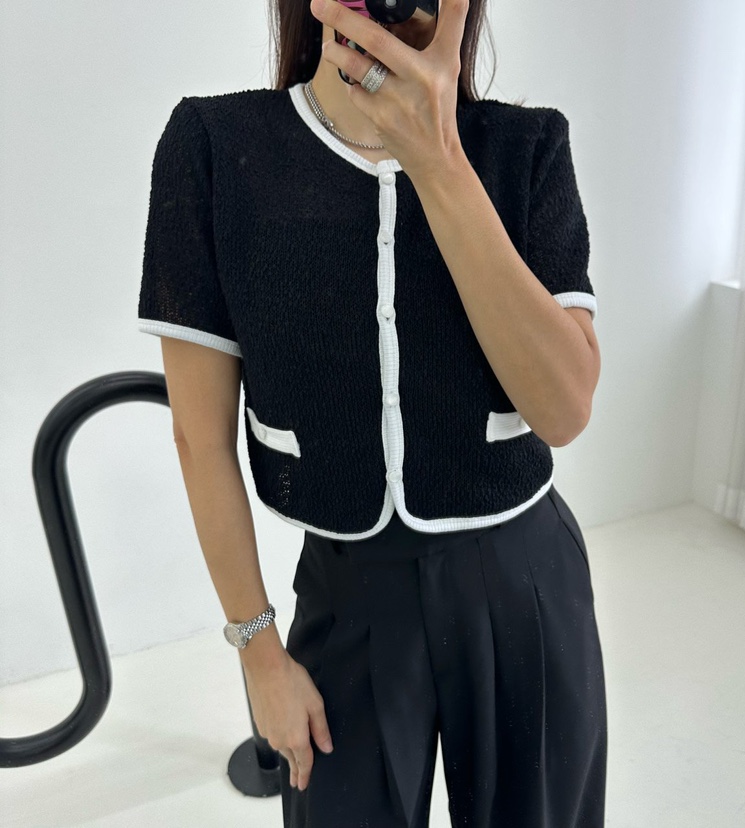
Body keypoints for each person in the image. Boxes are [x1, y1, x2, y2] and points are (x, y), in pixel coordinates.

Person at [137, 0, 607, 825]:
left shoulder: (525, 148)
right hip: (347, 588)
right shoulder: (215, 147)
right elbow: (198, 439)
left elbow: (564, 411)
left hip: (521, 580)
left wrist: (438, 160)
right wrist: (260, 656)